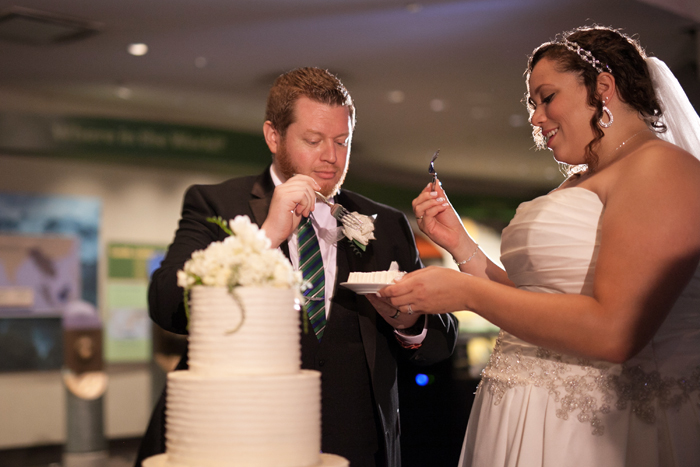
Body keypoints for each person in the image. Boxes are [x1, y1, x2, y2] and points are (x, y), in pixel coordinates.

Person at [374, 26, 700, 466]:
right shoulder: (583, 179)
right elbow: (546, 301)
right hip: (528, 414)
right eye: (533, 104)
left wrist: (466, 294)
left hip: (595, 429)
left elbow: (615, 330)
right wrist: (461, 245)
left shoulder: (659, 168)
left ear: (603, 87)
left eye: (546, 97)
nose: (535, 117)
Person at [134, 67, 458, 467]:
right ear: (274, 136)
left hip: (359, 449)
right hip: (247, 444)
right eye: (313, 140)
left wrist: (407, 323)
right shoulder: (215, 204)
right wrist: (266, 235)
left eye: (343, 141)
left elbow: (440, 345)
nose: (331, 156)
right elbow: (166, 303)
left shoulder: (386, 224)